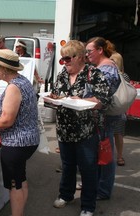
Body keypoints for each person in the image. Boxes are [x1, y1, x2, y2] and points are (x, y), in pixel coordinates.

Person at [0, 49, 39, 216]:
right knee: (20, 180)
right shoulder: (23, 81)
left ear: (2, 69)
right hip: (27, 141)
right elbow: (14, 112)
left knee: (14, 184)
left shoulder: (13, 87)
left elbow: (6, 121)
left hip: (16, 143)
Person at [51, 40, 110, 216]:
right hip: (64, 129)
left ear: (79, 57)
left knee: (88, 169)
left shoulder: (94, 73)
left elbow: (103, 100)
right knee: (67, 165)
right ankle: (66, 195)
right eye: (62, 59)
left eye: (67, 59)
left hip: (86, 131)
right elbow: (57, 92)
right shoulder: (63, 73)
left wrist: (81, 100)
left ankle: (87, 206)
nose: (64, 63)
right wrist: (52, 98)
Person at [86, 37, 121, 201]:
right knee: (101, 151)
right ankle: (98, 185)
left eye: (89, 51)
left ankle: (103, 190)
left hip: (104, 117)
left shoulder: (107, 69)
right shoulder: (102, 67)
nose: (87, 55)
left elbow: (101, 97)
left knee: (106, 153)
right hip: (101, 117)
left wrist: (80, 100)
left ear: (100, 50)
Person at [109, 42, 127, 166]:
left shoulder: (121, 76)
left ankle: (118, 156)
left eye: (113, 61)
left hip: (116, 108)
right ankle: (116, 157)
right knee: (114, 134)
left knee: (116, 134)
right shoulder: (124, 75)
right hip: (117, 108)